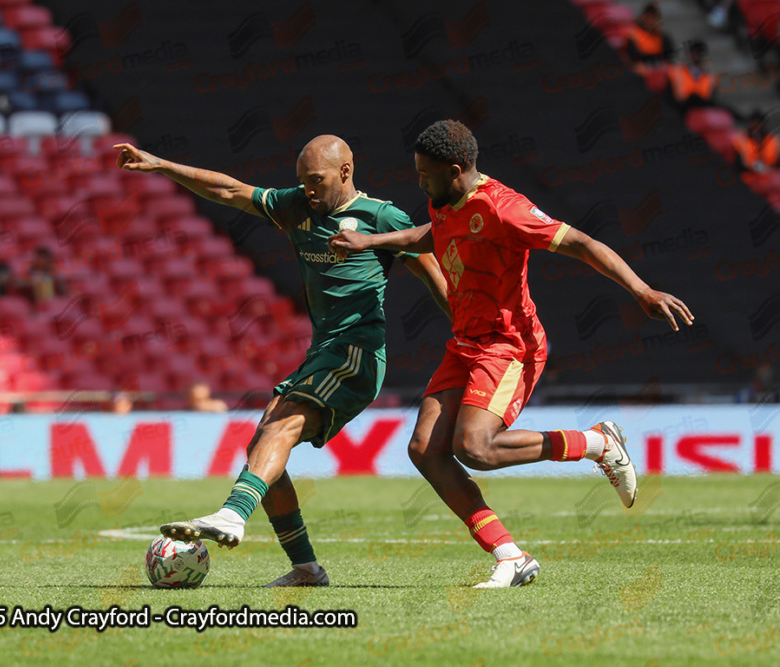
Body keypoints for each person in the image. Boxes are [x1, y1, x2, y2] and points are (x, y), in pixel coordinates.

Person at [329, 120, 694, 588]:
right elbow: (433, 233)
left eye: (424, 174)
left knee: (474, 449)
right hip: (465, 343)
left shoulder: (504, 208)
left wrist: (641, 290)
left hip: (509, 345)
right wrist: (372, 242)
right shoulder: (445, 200)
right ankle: (510, 555)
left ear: (455, 169)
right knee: (424, 449)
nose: (418, 181)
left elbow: (581, 243)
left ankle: (596, 443)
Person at [114, 135, 450, 587]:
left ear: (345, 172)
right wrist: (160, 164)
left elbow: (435, 276)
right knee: (260, 449)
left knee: (282, 425)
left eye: (316, 181)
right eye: (302, 182)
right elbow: (230, 190)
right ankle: (306, 568)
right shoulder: (297, 207)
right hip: (322, 353)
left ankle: (233, 514)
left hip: (356, 353)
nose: (307, 190)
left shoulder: (381, 217)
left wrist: (473, 333)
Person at [667, 39, 718, 113]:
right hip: (681, 108)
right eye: (693, 52)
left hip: (702, 108)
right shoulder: (676, 70)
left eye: (698, 52)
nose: (695, 55)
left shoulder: (709, 75)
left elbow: (711, 98)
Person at [732, 111, 780, 184]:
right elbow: (738, 166)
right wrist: (755, 167)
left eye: (759, 127)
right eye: (754, 127)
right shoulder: (741, 140)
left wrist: (766, 169)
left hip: (768, 179)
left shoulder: (773, 141)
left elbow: (779, 166)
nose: (756, 131)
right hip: (748, 179)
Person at [624, 3, 676, 71]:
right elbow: (633, 57)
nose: (651, 21)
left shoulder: (662, 36)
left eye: (653, 17)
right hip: (641, 66)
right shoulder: (633, 34)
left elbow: (669, 56)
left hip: (659, 65)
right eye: (648, 17)